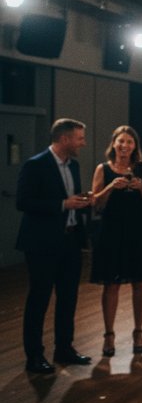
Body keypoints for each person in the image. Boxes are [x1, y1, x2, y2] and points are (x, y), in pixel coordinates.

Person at [17, 118, 94, 374]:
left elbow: (72, 199)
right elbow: (24, 202)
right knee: (39, 298)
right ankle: (34, 356)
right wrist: (63, 204)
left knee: (68, 298)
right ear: (65, 139)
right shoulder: (35, 165)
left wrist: (80, 203)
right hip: (41, 243)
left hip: (70, 241)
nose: (83, 143)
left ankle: (64, 348)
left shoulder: (73, 165)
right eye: (79, 138)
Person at [89, 125, 142, 356]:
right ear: (114, 144)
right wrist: (111, 186)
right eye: (121, 141)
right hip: (111, 232)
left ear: (135, 146)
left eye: (129, 142)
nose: (125, 146)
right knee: (111, 284)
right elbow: (95, 203)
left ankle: (138, 332)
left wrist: (141, 188)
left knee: (140, 283)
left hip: (138, 231)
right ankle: (109, 335)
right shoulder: (103, 168)